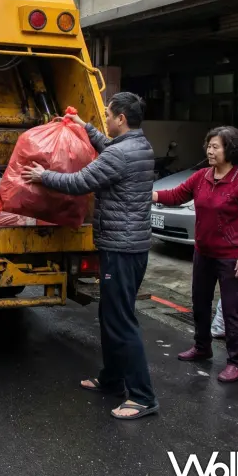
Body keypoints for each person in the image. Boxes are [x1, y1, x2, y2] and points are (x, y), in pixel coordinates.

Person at [21, 92, 158, 421]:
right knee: (111, 315)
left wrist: (43, 177)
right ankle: (113, 379)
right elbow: (109, 149)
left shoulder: (120, 154)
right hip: (129, 245)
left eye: (108, 115)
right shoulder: (140, 145)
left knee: (121, 320)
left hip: (121, 249)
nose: (105, 119)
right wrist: (85, 127)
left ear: (121, 119)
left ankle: (142, 395)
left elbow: (81, 181)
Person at [153, 126, 238, 384]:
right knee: (200, 303)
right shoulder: (202, 176)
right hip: (203, 253)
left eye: (216, 147)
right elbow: (176, 195)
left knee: (232, 312)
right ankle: (202, 347)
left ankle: (236, 362)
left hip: (231, 258)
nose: (210, 151)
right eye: (209, 146)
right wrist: (148, 194)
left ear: (230, 150)